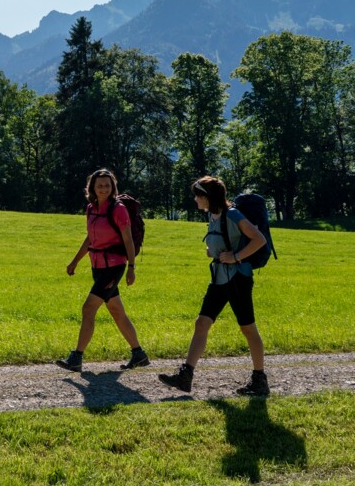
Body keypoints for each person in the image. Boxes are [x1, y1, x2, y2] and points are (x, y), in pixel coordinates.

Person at [158, 175, 270, 396]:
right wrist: (215, 251)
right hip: (219, 278)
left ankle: (259, 380)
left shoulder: (234, 214)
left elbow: (259, 240)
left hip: (238, 279)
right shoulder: (213, 215)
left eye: (197, 196)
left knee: (248, 328)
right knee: (201, 323)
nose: (195, 200)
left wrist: (236, 256)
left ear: (206, 197)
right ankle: (185, 376)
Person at [56, 168, 149, 373]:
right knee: (116, 311)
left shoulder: (118, 209)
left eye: (107, 185)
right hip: (97, 266)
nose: (104, 189)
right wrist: (74, 262)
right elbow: (90, 238)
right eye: (100, 185)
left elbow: (128, 240)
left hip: (114, 267)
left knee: (88, 308)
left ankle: (76, 357)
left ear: (112, 187)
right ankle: (139, 354)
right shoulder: (91, 209)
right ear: (92, 188)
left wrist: (131, 268)